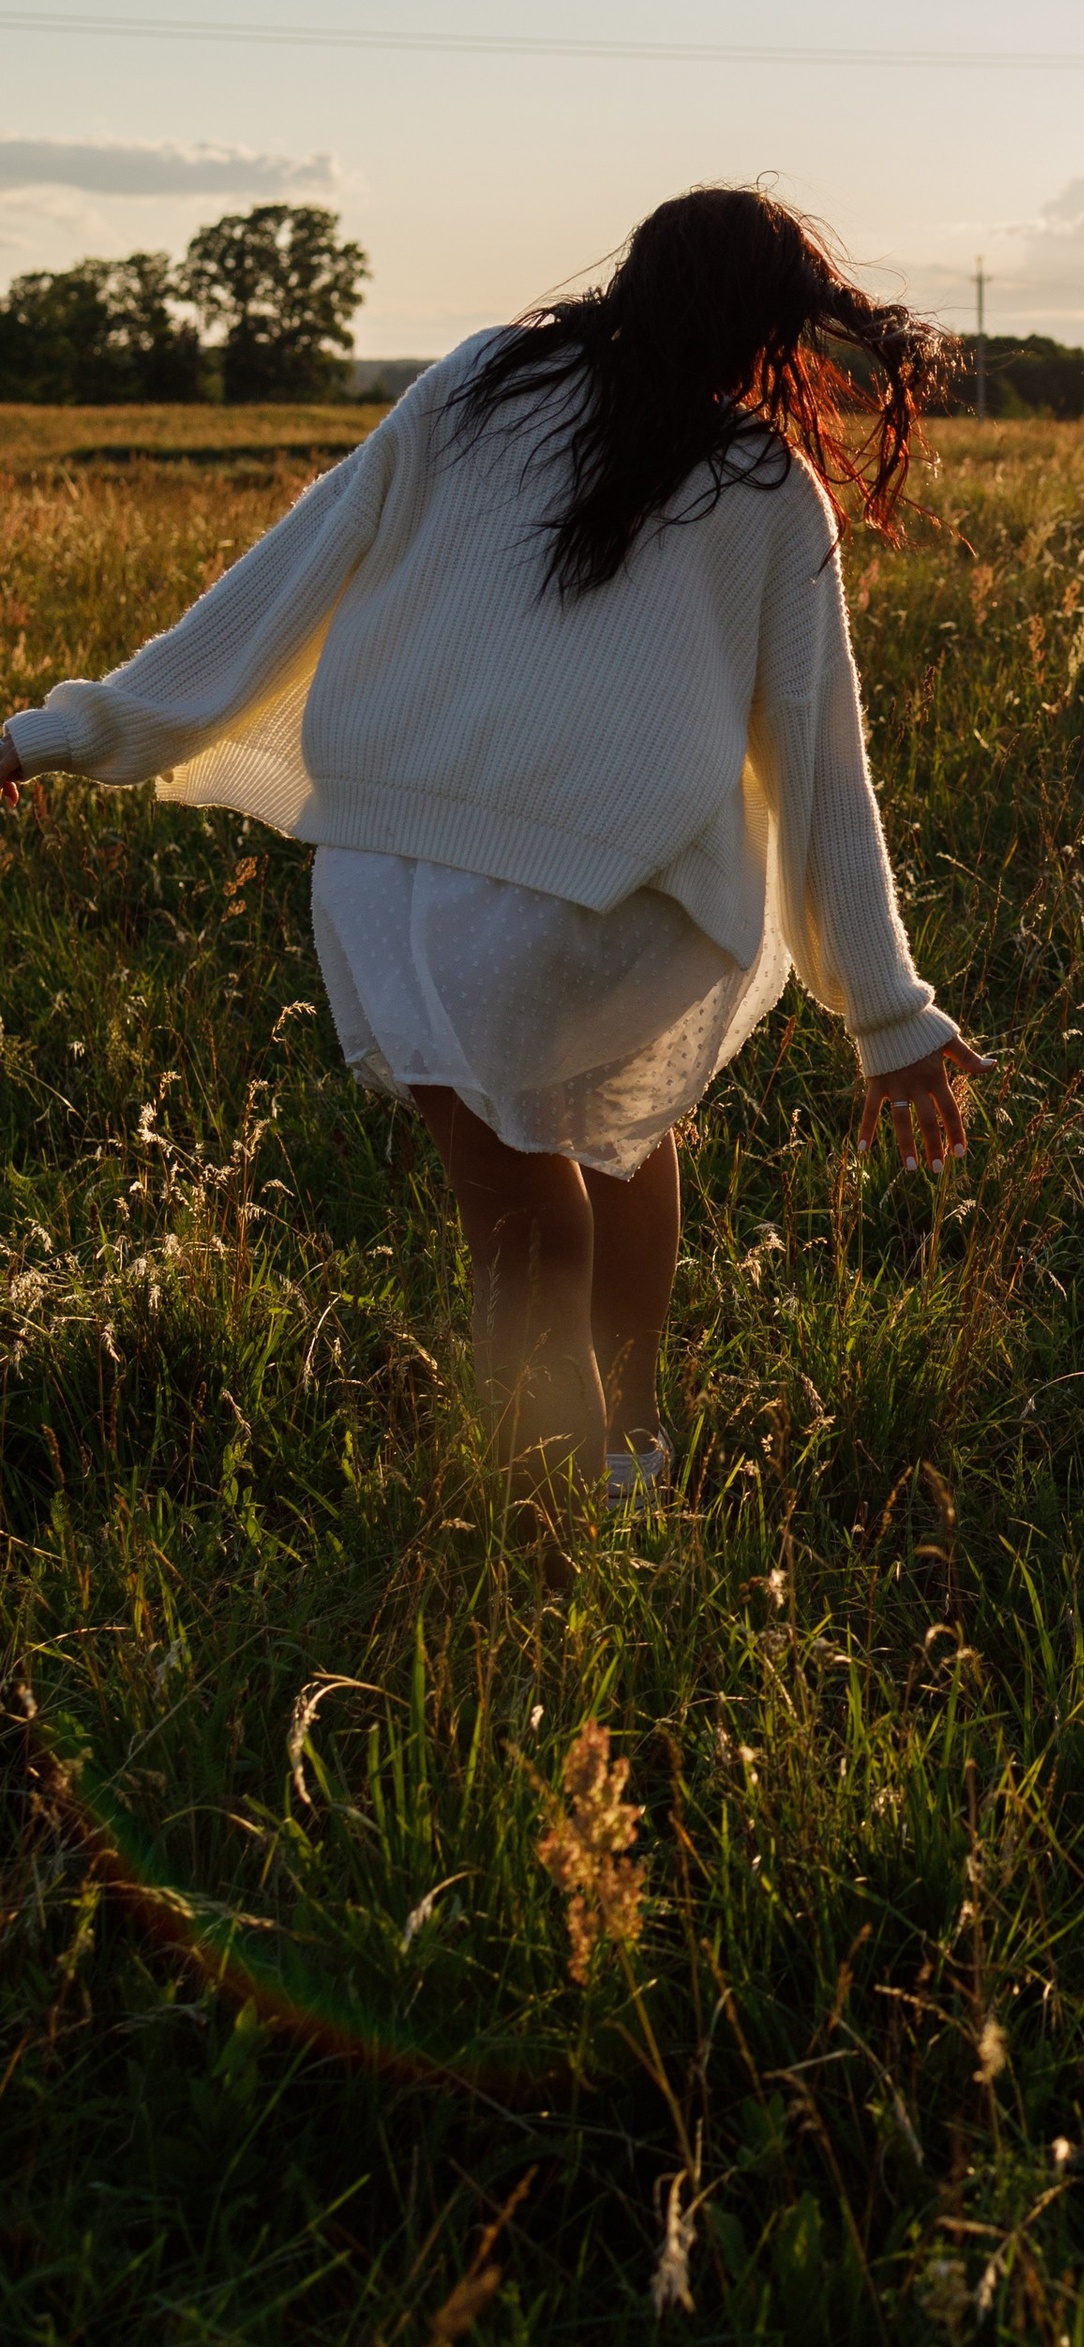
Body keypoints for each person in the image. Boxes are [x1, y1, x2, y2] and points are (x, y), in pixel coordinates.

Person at [0, 186, 985, 1509]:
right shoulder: (767, 486)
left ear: (635, 285)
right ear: (768, 331)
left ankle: (548, 1511)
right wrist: (890, 1016)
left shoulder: (477, 383)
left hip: (411, 887)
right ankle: (621, 1459)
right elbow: (816, 767)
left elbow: (289, 577)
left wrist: (60, 734)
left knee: (524, 1208)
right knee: (617, 1147)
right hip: (623, 908)